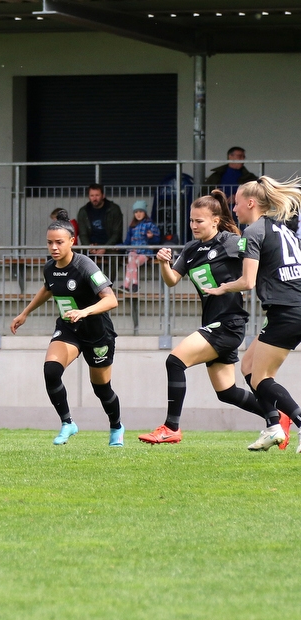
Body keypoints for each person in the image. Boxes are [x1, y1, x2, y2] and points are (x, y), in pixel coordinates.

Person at [139, 190, 290, 447]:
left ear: (215, 221)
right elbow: (172, 281)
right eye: (191, 220)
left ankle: (171, 428)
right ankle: (277, 415)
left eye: (199, 221)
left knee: (175, 361)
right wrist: (164, 263)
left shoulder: (230, 242)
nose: (194, 225)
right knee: (226, 392)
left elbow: (257, 260)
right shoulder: (191, 249)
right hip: (213, 324)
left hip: (229, 323)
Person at [202, 176, 301, 452]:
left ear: (250, 203)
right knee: (247, 366)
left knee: (260, 379)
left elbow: (247, 281)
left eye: (236, 204)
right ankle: (272, 428)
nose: (233, 210)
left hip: (286, 310)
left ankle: (296, 420)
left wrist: (223, 288)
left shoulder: (254, 232)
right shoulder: (283, 228)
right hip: (292, 306)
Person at [10, 215, 124, 447]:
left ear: (72, 241)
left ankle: (116, 426)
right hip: (69, 329)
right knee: (51, 370)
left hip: (97, 332)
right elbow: (47, 288)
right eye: (50, 242)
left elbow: (111, 300)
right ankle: (67, 423)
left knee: (101, 388)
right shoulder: (50, 267)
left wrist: (85, 312)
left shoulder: (85, 266)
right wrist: (25, 313)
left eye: (59, 242)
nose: (54, 247)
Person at [76, 183, 124, 283]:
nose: (94, 198)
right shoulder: (83, 211)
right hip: (92, 246)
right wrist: (89, 246)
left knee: (115, 256)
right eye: (92, 196)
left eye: (97, 195)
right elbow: (83, 234)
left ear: (103, 195)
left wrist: (105, 247)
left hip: (110, 245)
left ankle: (104, 286)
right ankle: (87, 286)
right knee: (79, 257)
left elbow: (117, 233)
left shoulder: (114, 209)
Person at [122, 200, 161, 293]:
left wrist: (151, 237)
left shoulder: (150, 225)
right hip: (133, 251)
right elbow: (127, 241)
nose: (138, 214)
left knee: (131, 264)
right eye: (136, 212)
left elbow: (157, 240)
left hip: (145, 253)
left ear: (145, 212)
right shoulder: (132, 226)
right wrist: (120, 246)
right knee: (132, 258)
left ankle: (126, 285)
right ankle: (134, 284)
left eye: (140, 211)